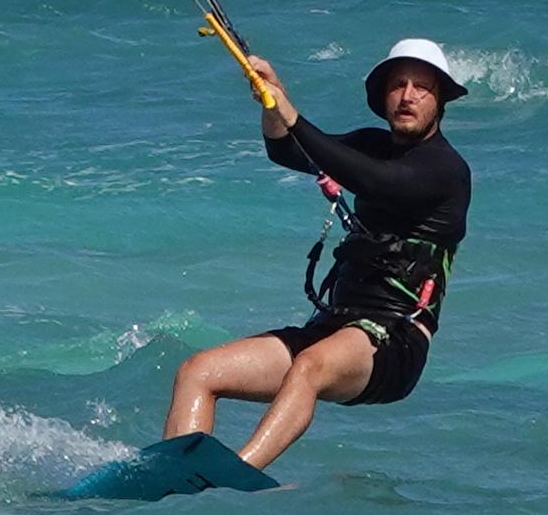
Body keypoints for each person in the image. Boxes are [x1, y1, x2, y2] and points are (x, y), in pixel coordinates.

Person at [163, 38, 472, 470]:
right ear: (383, 96)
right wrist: (274, 106)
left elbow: (378, 181)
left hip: (395, 338)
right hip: (332, 326)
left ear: (440, 100)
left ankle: (237, 472)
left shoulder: (446, 170)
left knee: (308, 366)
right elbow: (289, 150)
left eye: (422, 87)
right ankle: (177, 473)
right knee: (197, 371)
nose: (407, 96)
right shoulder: (370, 143)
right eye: (398, 85)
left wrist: (292, 113)